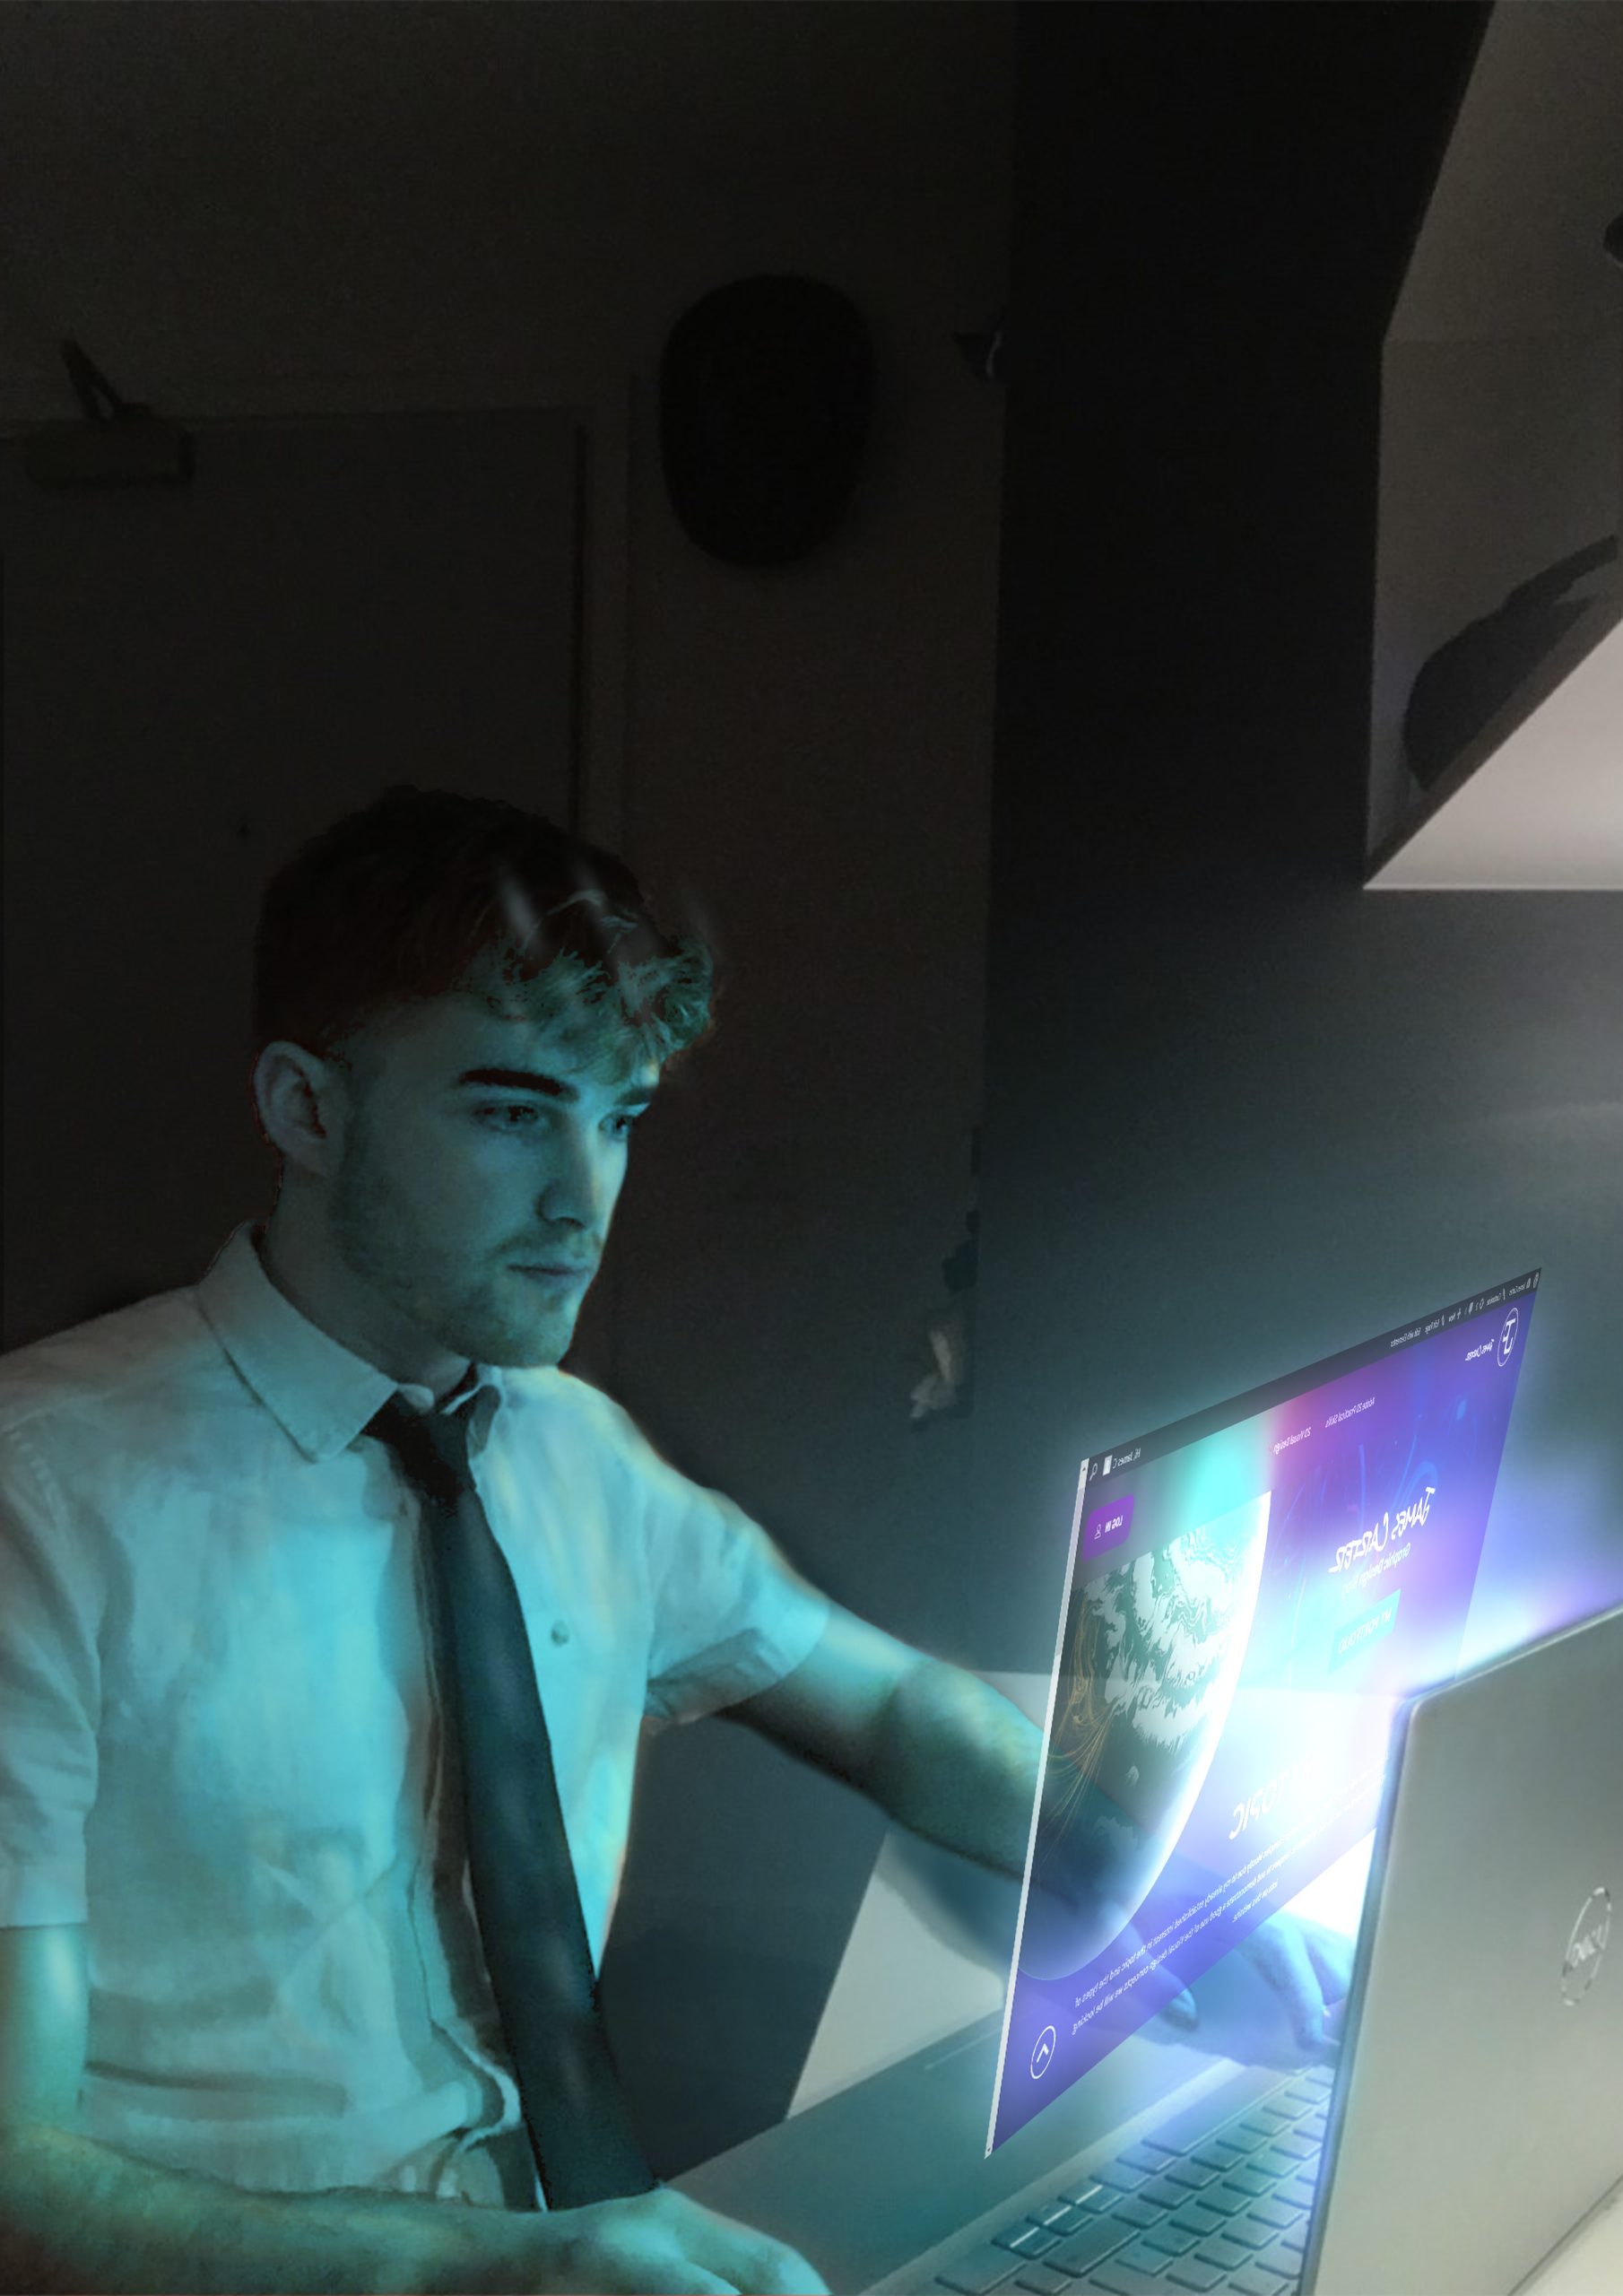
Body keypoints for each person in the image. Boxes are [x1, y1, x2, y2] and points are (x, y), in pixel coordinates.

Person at [0, 788, 1343, 2296]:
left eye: (617, 1118)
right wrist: (499, 2275)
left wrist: (1152, 1881)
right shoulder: (34, 1503)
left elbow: (892, 1709)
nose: (581, 1200)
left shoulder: (576, 1457)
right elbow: (11, 2185)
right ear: (307, 1111)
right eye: (512, 1113)